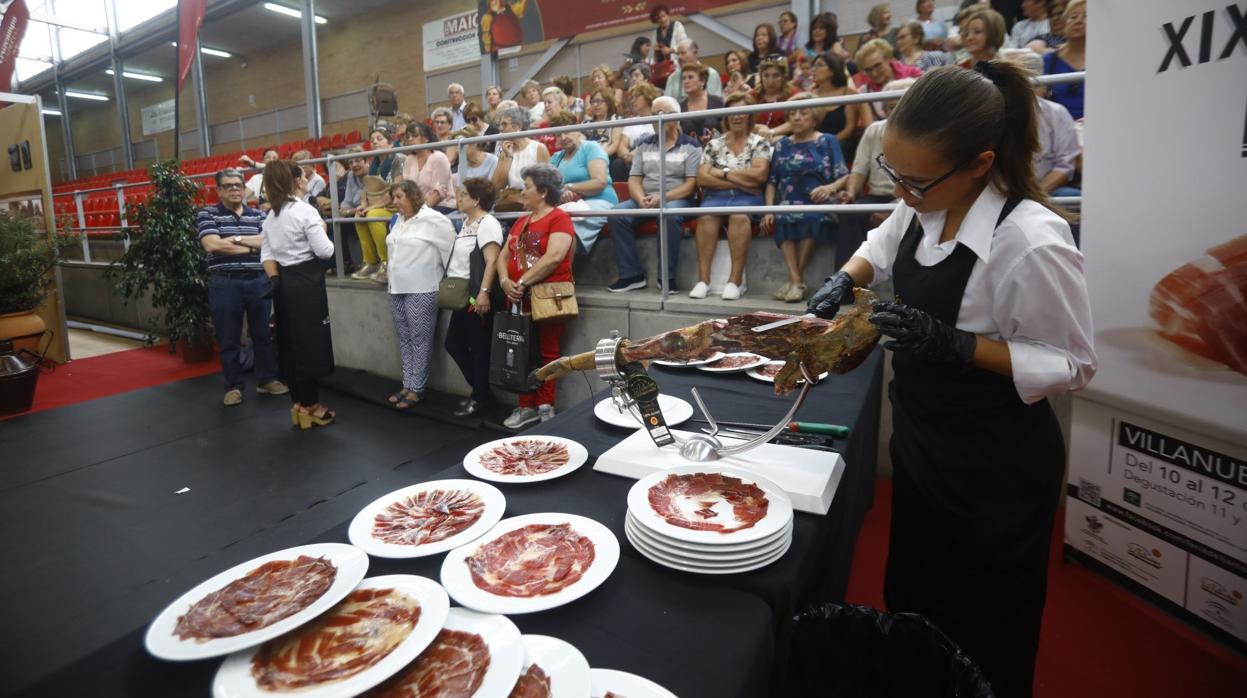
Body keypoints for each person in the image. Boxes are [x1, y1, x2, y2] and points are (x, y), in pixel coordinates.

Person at [805, 62, 1095, 698]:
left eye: (913, 182)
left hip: (995, 467)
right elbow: (883, 240)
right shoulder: (923, 203)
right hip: (923, 442)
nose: (902, 193)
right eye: (894, 176)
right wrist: (846, 277)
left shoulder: (1032, 240)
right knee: (916, 593)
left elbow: (1071, 363)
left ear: (977, 163)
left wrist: (959, 346)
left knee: (985, 622)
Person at [198, 168, 287, 406]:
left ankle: (267, 379)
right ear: (219, 191)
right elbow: (212, 246)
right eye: (229, 186)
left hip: (258, 279)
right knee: (229, 337)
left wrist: (234, 241)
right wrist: (251, 247)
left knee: (263, 335)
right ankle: (233, 386)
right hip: (225, 282)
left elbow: (269, 242)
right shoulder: (208, 214)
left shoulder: (259, 216)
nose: (235, 189)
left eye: (238, 185)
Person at [497, 164, 576, 429]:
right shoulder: (521, 221)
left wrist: (521, 281)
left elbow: (554, 257)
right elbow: (503, 256)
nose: (523, 191)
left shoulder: (559, 218)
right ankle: (525, 406)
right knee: (519, 352)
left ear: (543, 191)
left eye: (527, 186)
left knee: (548, 353)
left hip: (545, 297)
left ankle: (545, 405)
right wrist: (504, 280)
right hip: (518, 296)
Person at [260, 161, 336, 429]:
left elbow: (267, 255)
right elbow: (325, 251)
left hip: (282, 283)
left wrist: (277, 280)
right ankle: (312, 405)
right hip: (306, 282)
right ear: (297, 181)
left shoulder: (271, 216)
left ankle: (298, 403)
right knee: (309, 345)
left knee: (290, 344)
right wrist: (324, 229)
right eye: (303, 175)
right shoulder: (305, 212)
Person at [608, 96, 700, 295]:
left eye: (661, 114)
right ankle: (631, 275)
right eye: (654, 114)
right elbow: (633, 180)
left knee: (668, 214)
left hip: (678, 198)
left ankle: (667, 277)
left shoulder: (691, 146)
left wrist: (663, 198)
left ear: (675, 119)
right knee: (617, 214)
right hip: (647, 197)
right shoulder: (644, 146)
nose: (655, 119)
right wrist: (640, 198)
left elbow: (691, 185)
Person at [761, 94, 848, 302]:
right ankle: (797, 280)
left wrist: (829, 188)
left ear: (814, 116)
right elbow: (772, 180)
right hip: (787, 201)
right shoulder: (782, 144)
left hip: (817, 201)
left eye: (803, 112)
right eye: (792, 114)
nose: (797, 117)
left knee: (812, 217)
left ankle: (794, 281)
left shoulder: (828, 140)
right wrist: (769, 209)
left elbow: (844, 175)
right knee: (781, 217)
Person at [384, 179, 456, 409]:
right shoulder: (398, 220)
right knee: (404, 339)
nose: (395, 202)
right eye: (393, 197)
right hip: (396, 288)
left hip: (423, 288)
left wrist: (448, 281)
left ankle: (418, 388)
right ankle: (408, 383)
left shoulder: (435, 220)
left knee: (420, 341)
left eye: (399, 197)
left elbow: (452, 251)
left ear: (413, 197)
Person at [692, 93, 772, 301]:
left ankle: (734, 281)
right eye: (732, 113)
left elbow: (760, 176)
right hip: (718, 196)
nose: (737, 117)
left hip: (747, 199)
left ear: (749, 116)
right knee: (707, 216)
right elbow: (702, 178)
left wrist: (722, 172)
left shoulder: (759, 143)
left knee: (738, 216)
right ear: (726, 116)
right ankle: (703, 281)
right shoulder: (714, 144)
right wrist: (742, 180)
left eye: (742, 112)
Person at [830, 77, 916, 268]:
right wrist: (851, 193)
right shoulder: (874, 130)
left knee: (910, 215)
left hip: (909, 197)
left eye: (900, 106)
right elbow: (859, 171)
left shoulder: (921, 133)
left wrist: (895, 207)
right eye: (890, 107)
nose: (895, 112)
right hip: (877, 196)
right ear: (884, 110)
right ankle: (846, 280)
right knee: (851, 212)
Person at [444, 178, 504, 418]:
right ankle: (482, 391)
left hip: (474, 296)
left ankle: (480, 397)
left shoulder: (487, 223)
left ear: (477, 199)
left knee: (478, 349)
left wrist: (484, 293)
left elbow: (492, 260)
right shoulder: (467, 222)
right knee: (454, 344)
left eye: (464, 194)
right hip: (462, 295)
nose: (460, 199)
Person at [1007, 51, 1080, 197]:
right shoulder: (994, 113)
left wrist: (1034, 196)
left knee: (1069, 196)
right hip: (1002, 193)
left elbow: (1065, 167)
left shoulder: (1057, 112)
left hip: (1045, 192)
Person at [547, 110, 617, 252]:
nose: (563, 137)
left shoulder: (591, 147)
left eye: (567, 131)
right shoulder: (555, 157)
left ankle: (563, 272)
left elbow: (600, 182)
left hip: (600, 200)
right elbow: (549, 189)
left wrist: (570, 188)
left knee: (562, 228)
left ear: (577, 129)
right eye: (558, 134)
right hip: (568, 206)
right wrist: (561, 194)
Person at [491, 106, 551, 208]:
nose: (500, 129)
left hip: (535, 205)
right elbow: (496, 186)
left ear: (518, 126)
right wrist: (508, 157)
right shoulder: (505, 152)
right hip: (512, 205)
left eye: (504, 124)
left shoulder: (538, 149)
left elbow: (548, 184)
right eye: (500, 124)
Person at [854, 39, 923, 119]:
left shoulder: (915, 75)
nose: (874, 73)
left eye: (877, 65)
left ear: (889, 59)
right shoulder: (865, 92)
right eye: (868, 70)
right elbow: (870, 127)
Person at [401, 122, 457, 219]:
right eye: (408, 137)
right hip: (417, 207)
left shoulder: (439, 157)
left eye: (414, 136)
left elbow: (439, 193)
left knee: (418, 220)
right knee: (395, 219)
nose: (410, 140)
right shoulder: (409, 159)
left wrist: (419, 211)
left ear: (426, 138)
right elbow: (405, 189)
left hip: (442, 205)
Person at [1043, 0, 1084, 120]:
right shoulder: (1048, 61)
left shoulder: (1104, 61)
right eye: (1073, 16)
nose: (1079, 20)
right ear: (1064, 24)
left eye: (1086, 16)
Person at [581, 88, 628, 182]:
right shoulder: (586, 124)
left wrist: (597, 156)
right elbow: (581, 146)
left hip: (607, 156)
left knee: (618, 164)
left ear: (608, 102)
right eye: (593, 102)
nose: (595, 105)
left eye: (599, 101)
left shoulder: (616, 119)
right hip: (587, 158)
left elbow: (614, 145)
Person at [677, 63, 726, 144]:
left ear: (702, 81)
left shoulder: (717, 102)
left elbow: (727, 132)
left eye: (690, 77)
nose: (686, 81)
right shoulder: (679, 107)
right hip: (690, 153)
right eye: (683, 78)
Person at [751, 58, 797, 137]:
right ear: (761, 77)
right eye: (766, 76)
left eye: (776, 76)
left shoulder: (793, 94)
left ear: (783, 77)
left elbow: (796, 121)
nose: (771, 81)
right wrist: (760, 128)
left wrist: (772, 132)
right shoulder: (753, 95)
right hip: (756, 139)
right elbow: (744, 122)